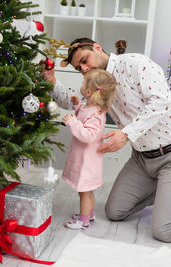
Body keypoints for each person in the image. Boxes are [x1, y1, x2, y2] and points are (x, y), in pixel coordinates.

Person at [42, 37, 171, 241]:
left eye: (85, 59)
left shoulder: (135, 64)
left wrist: (126, 134)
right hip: (142, 159)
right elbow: (76, 101)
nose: (85, 68)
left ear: (98, 47)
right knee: (115, 212)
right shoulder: (98, 83)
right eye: (79, 68)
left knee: (166, 231)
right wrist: (52, 82)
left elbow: (162, 101)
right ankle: (168, 197)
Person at [62, 69, 117, 230]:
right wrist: (77, 105)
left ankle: (84, 220)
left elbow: (88, 135)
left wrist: (72, 122)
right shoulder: (90, 108)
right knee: (87, 190)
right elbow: (83, 116)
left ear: (89, 91)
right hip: (84, 159)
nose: (81, 84)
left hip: (87, 162)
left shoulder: (95, 114)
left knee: (84, 191)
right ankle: (89, 214)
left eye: (84, 82)